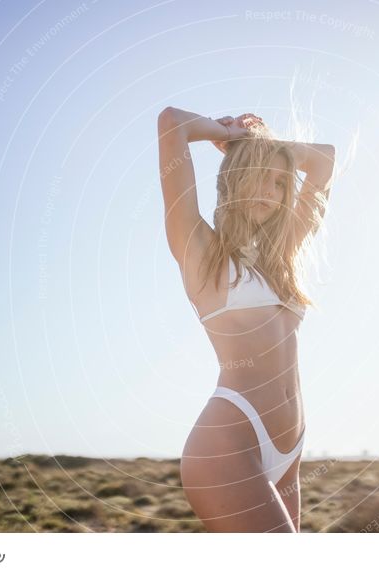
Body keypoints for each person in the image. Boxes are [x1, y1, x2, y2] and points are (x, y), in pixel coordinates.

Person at [157, 106, 335, 532]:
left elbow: (325, 158)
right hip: (229, 444)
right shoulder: (199, 248)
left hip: (289, 451)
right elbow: (171, 123)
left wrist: (267, 147)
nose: (270, 191)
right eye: (257, 175)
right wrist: (234, 138)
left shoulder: (280, 258)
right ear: (233, 176)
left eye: (279, 181)